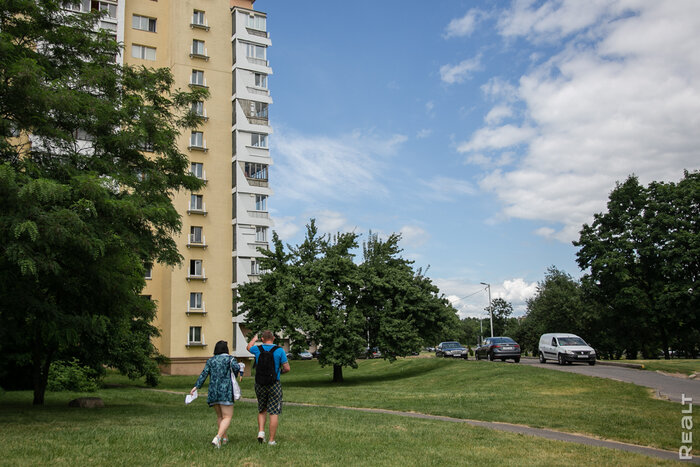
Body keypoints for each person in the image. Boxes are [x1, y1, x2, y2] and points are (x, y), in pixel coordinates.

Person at [190, 340, 241, 448]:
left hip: (213, 392)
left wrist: (196, 386)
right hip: (226, 391)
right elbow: (236, 368)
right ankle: (217, 437)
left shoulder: (211, 361)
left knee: (220, 416)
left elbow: (204, 374)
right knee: (227, 416)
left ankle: (224, 438)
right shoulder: (230, 359)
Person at [246, 330, 290, 446]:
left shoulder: (257, 349)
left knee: (262, 409)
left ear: (262, 339)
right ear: (273, 339)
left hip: (260, 383)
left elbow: (248, 347)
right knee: (273, 412)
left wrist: (254, 340)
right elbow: (287, 368)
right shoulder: (279, 350)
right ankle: (271, 440)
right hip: (274, 383)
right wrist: (279, 372)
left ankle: (261, 432)